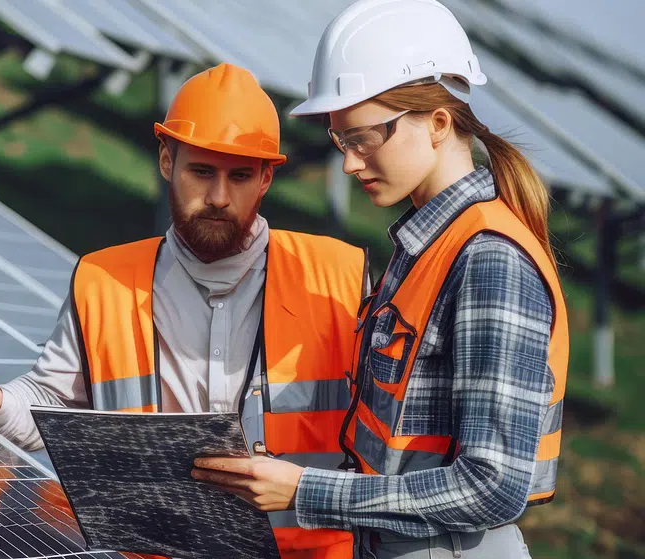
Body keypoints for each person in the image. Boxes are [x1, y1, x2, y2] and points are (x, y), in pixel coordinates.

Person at [0, 63, 367, 559]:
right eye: (201, 171)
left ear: (265, 178)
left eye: (239, 176)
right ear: (166, 159)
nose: (219, 197)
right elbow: (50, 407)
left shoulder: (342, 278)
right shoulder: (103, 282)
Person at [189, 2, 568, 558]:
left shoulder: (489, 261)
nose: (349, 163)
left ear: (438, 122)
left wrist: (305, 490)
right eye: (343, 141)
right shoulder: (428, 248)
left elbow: (493, 487)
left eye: (365, 137)